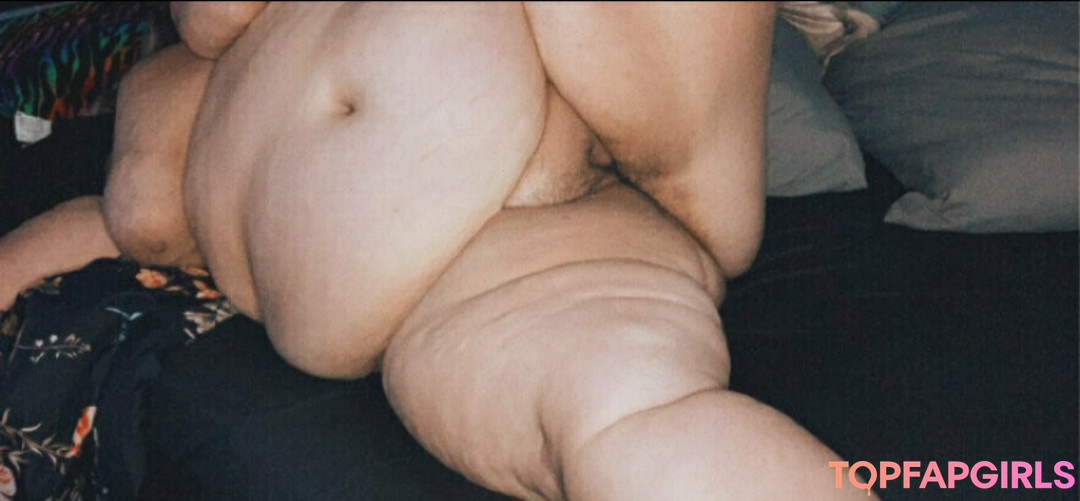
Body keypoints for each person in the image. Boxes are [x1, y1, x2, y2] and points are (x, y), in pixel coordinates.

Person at [0, 3, 873, 499]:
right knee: (622, 407)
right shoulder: (187, 75)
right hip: (440, 301)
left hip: (534, 246)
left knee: (625, 406)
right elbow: (134, 213)